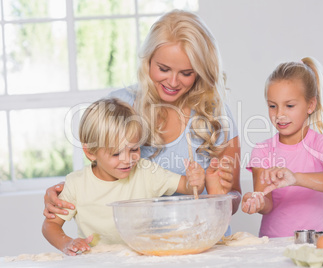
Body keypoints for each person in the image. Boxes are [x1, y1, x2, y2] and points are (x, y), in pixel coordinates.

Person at [43, 10, 241, 229]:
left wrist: (219, 196)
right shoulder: (120, 106)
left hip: (206, 243)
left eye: (186, 73)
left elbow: (234, 198)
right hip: (142, 247)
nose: (173, 82)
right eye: (163, 69)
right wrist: (65, 193)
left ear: (200, 71)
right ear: (148, 61)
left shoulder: (215, 114)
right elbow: (98, 173)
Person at [42, 98, 206, 256]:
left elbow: (188, 187)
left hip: (143, 258)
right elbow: (50, 225)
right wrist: (66, 242)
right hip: (99, 262)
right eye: (116, 153)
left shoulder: (146, 172)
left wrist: (195, 180)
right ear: (90, 152)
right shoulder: (76, 184)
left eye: (134, 149)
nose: (127, 159)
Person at [241, 57, 323, 238]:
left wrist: (295, 178)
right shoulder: (262, 150)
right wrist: (256, 202)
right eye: (272, 106)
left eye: (289, 105)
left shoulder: (322, 145)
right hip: (273, 246)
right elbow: (267, 203)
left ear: (310, 105)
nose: (279, 114)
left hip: (315, 243)